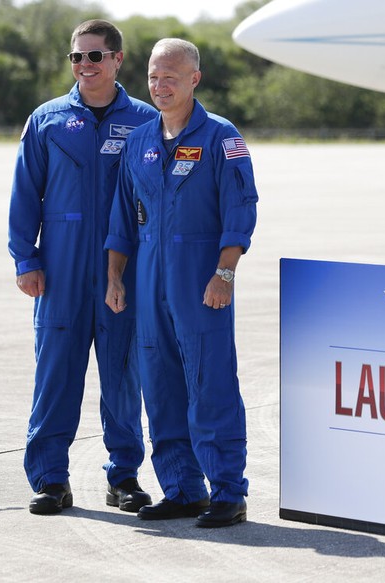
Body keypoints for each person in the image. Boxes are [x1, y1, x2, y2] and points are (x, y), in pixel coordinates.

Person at [105, 38, 258, 528]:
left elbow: (241, 208)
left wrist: (225, 272)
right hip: (148, 278)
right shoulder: (140, 141)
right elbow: (121, 220)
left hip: (200, 278)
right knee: (161, 385)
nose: (160, 85)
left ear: (194, 78)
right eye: (153, 76)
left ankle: (228, 492)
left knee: (210, 383)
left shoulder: (220, 136)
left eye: (170, 76)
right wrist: (114, 278)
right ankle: (182, 489)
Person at [9, 19, 157, 515]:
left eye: (95, 56)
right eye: (77, 57)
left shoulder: (145, 121)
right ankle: (51, 478)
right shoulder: (47, 120)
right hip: (60, 269)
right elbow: (25, 194)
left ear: (118, 59)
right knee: (55, 374)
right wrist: (26, 257)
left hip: (123, 270)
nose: (85, 66)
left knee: (122, 375)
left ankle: (125, 477)